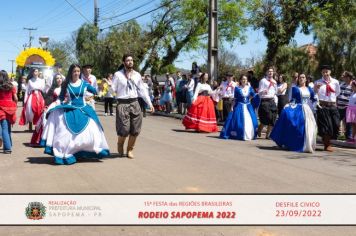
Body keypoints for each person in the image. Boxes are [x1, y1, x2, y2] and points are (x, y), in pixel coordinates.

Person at [40, 64, 110, 165]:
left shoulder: (84, 83)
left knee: (94, 127)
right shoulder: (66, 84)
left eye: (78, 71)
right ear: (71, 73)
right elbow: (60, 97)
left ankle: (84, 151)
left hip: (84, 108)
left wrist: (102, 86)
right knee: (64, 132)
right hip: (70, 108)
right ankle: (66, 152)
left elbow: (96, 91)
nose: (76, 73)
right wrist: (56, 105)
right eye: (74, 71)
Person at [112, 54, 154, 158]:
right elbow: (113, 88)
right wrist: (108, 88)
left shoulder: (137, 75)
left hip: (135, 102)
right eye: (127, 60)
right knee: (124, 129)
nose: (130, 62)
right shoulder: (118, 74)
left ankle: (130, 150)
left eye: (131, 60)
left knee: (135, 129)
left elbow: (142, 90)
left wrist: (150, 103)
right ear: (123, 62)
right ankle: (120, 143)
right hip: (122, 103)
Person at [270, 73, 317, 153]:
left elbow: (314, 98)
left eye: (303, 77)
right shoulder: (295, 88)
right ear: (298, 79)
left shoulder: (309, 89)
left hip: (308, 111)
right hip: (299, 109)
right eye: (300, 77)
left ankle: (307, 144)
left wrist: (314, 106)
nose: (301, 79)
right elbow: (293, 100)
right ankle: (297, 143)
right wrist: (288, 106)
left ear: (306, 79)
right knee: (298, 127)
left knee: (309, 127)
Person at [220, 74, 259, 140]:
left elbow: (253, 95)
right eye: (243, 79)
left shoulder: (250, 88)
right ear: (240, 80)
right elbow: (235, 99)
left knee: (252, 121)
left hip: (248, 106)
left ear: (247, 81)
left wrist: (249, 98)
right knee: (238, 121)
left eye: (245, 79)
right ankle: (240, 134)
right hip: (239, 106)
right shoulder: (237, 88)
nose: (244, 80)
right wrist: (232, 107)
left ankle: (250, 135)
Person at [31, 74, 63, 146]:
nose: (59, 79)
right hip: (54, 109)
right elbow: (48, 99)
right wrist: (46, 107)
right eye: (57, 78)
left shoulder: (66, 88)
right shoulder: (52, 89)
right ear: (54, 80)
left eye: (60, 78)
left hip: (64, 108)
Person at [314, 65, 341, 152]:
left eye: (327, 71)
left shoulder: (335, 82)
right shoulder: (317, 82)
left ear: (330, 72)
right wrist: (316, 88)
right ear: (321, 73)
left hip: (333, 106)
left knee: (336, 124)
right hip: (323, 106)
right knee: (326, 126)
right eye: (323, 72)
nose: (325, 73)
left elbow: (337, 93)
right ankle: (327, 144)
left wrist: (331, 101)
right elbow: (314, 93)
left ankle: (326, 140)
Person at [257, 67, 278, 139]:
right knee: (266, 117)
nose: (270, 73)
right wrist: (263, 91)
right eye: (269, 71)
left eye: (272, 71)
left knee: (273, 118)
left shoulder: (274, 82)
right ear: (266, 72)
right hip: (264, 101)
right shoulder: (263, 81)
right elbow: (259, 92)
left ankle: (268, 135)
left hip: (272, 101)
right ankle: (260, 129)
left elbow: (276, 92)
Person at [0, 70, 18, 153]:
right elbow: (16, 98)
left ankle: (7, 148)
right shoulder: (11, 86)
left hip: (1, 107)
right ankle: (9, 144)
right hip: (10, 108)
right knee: (8, 128)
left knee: (4, 128)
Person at [337, 71, 354, 141]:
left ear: (348, 78)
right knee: (337, 121)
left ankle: (348, 137)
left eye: (344, 76)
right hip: (339, 106)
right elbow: (337, 94)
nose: (342, 77)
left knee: (348, 122)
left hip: (348, 107)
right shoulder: (341, 84)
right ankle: (336, 135)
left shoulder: (353, 86)